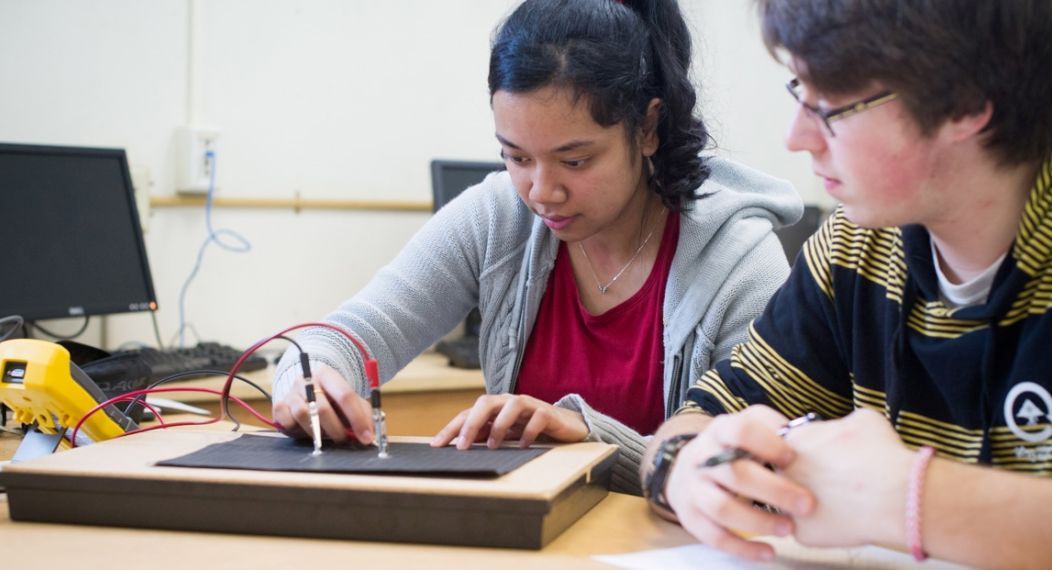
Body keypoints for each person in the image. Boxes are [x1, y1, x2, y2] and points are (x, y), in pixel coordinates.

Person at [272, 0, 801, 494]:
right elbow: (349, 336)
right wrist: (310, 381)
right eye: (517, 157)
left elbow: (752, 477)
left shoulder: (737, 262)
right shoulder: (497, 216)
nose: (541, 193)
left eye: (575, 161)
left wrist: (594, 440)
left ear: (648, 127)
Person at [641, 0, 1052, 566]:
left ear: (965, 105)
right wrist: (682, 470)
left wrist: (905, 496)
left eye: (831, 103)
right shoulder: (853, 250)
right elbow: (702, 417)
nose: (797, 136)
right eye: (799, 93)